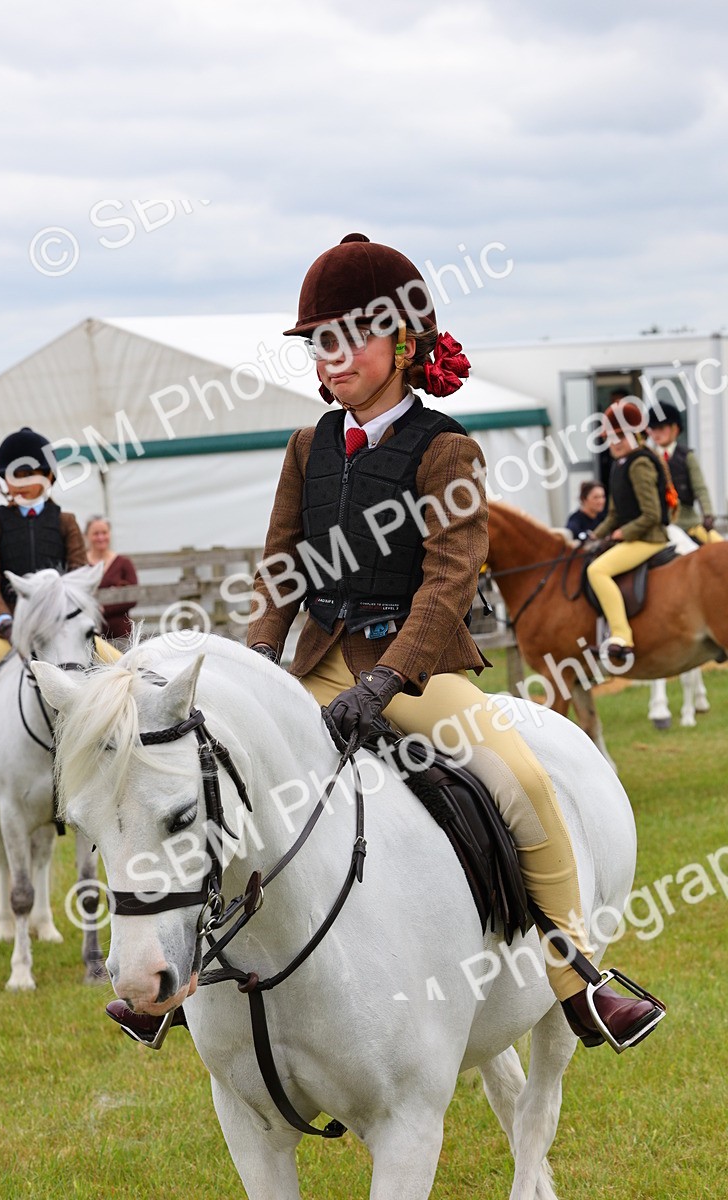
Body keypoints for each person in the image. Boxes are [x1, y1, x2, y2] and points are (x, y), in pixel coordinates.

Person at [106, 231, 665, 1056]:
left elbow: (449, 580)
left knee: (523, 786)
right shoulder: (308, 447)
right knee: (218, 784)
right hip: (313, 666)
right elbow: (282, 567)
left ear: (403, 343)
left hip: (415, 671)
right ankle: (183, 980)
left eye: (349, 338)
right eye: (319, 343)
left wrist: (389, 679)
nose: (332, 358)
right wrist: (258, 661)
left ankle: (576, 977)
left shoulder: (445, 449)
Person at [0, 426, 120, 809]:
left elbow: (78, 575)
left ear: (49, 476)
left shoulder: (65, 522)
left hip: (61, 631)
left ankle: (130, 749)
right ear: (5, 482)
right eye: (15, 476)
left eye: (29, 474)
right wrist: (4, 620)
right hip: (5, 632)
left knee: (124, 670)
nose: (22, 483)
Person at [587, 399, 672, 663]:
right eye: (610, 437)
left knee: (597, 570)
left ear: (635, 435)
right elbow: (614, 514)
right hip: (634, 536)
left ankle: (622, 636)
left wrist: (623, 533)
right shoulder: (619, 465)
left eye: (620, 436)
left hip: (649, 538)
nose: (615, 442)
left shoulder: (639, 464)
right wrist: (594, 535)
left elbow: (652, 514)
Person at [647, 400, 722, 544]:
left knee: (720, 546)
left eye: (661, 428)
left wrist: (708, 514)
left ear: (674, 428)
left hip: (688, 523)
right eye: (653, 429)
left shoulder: (687, 456)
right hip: (659, 526)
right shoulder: (648, 458)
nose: (656, 433)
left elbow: (700, 488)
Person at [84, 515, 138, 642]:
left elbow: (133, 597)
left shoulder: (124, 563)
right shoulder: (80, 564)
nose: (101, 537)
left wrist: (103, 609)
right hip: (87, 633)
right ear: (87, 536)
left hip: (120, 633)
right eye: (96, 533)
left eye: (104, 533)